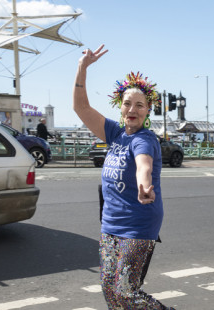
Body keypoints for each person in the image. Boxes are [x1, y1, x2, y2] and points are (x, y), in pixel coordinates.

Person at [73, 45, 174, 310]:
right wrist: (82, 68)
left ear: (148, 110)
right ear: (120, 106)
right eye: (127, 103)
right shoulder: (115, 133)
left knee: (126, 291)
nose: (132, 109)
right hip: (110, 226)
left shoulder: (144, 139)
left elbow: (144, 165)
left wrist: (144, 185)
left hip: (138, 225)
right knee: (110, 291)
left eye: (139, 105)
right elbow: (81, 108)